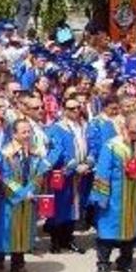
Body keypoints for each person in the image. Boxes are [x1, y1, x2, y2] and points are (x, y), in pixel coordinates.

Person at [0, 119, 49, 272]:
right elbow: (4, 178)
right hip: (9, 201)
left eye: (29, 131)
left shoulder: (35, 152)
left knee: (23, 230)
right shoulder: (5, 153)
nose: (27, 135)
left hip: (28, 200)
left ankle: (18, 264)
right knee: (4, 232)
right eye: (23, 132)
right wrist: (22, 193)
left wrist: (31, 190)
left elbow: (39, 175)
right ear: (14, 134)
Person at [91, 113, 136, 272]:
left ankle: (125, 262)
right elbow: (102, 171)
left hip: (135, 195)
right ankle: (103, 262)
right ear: (124, 128)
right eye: (132, 132)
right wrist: (101, 197)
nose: (135, 136)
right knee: (108, 230)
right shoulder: (112, 145)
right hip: (115, 195)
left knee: (130, 232)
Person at [45, 97, 92, 254]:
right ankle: (56, 240)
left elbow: (94, 145)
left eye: (78, 107)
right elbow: (58, 150)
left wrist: (88, 163)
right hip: (64, 173)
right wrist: (74, 166)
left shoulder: (86, 126)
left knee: (76, 206)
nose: (76, 111)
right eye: (71, 108)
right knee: (60, 205)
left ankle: (68, 239)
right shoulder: (57, 128)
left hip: (82, 173)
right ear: (64, 110)